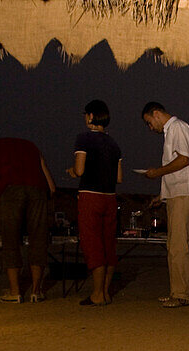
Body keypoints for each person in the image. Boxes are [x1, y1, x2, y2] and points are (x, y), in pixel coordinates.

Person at [140, 101, 189, 307]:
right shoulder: (172, 131)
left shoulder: (177, 127)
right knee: (174, 244)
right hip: (176, 193)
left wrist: (156, 172)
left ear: (156, 113)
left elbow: (183, 160)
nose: (150, 127)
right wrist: (162, 195)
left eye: (149, 122)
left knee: (179, 245)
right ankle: (176, 291)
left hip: (184, 193)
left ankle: (181, 294)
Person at [0, 138, 56, 303]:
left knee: (10, 241)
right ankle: (36, 291)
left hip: (11, 192)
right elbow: (51, 187)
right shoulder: (33, 147)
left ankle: (15, 292)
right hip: (38, 190)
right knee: (38, 240)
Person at [67, 100, 122, 306]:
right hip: (110, 197)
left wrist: (73, 171)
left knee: (92, 243)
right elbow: (119, 177)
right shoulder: (114, 144)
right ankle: (105, 293)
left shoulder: (84, 139)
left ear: (91, 116)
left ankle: (97, 293)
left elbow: (80, 170)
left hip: (90, 195)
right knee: (108, 243)